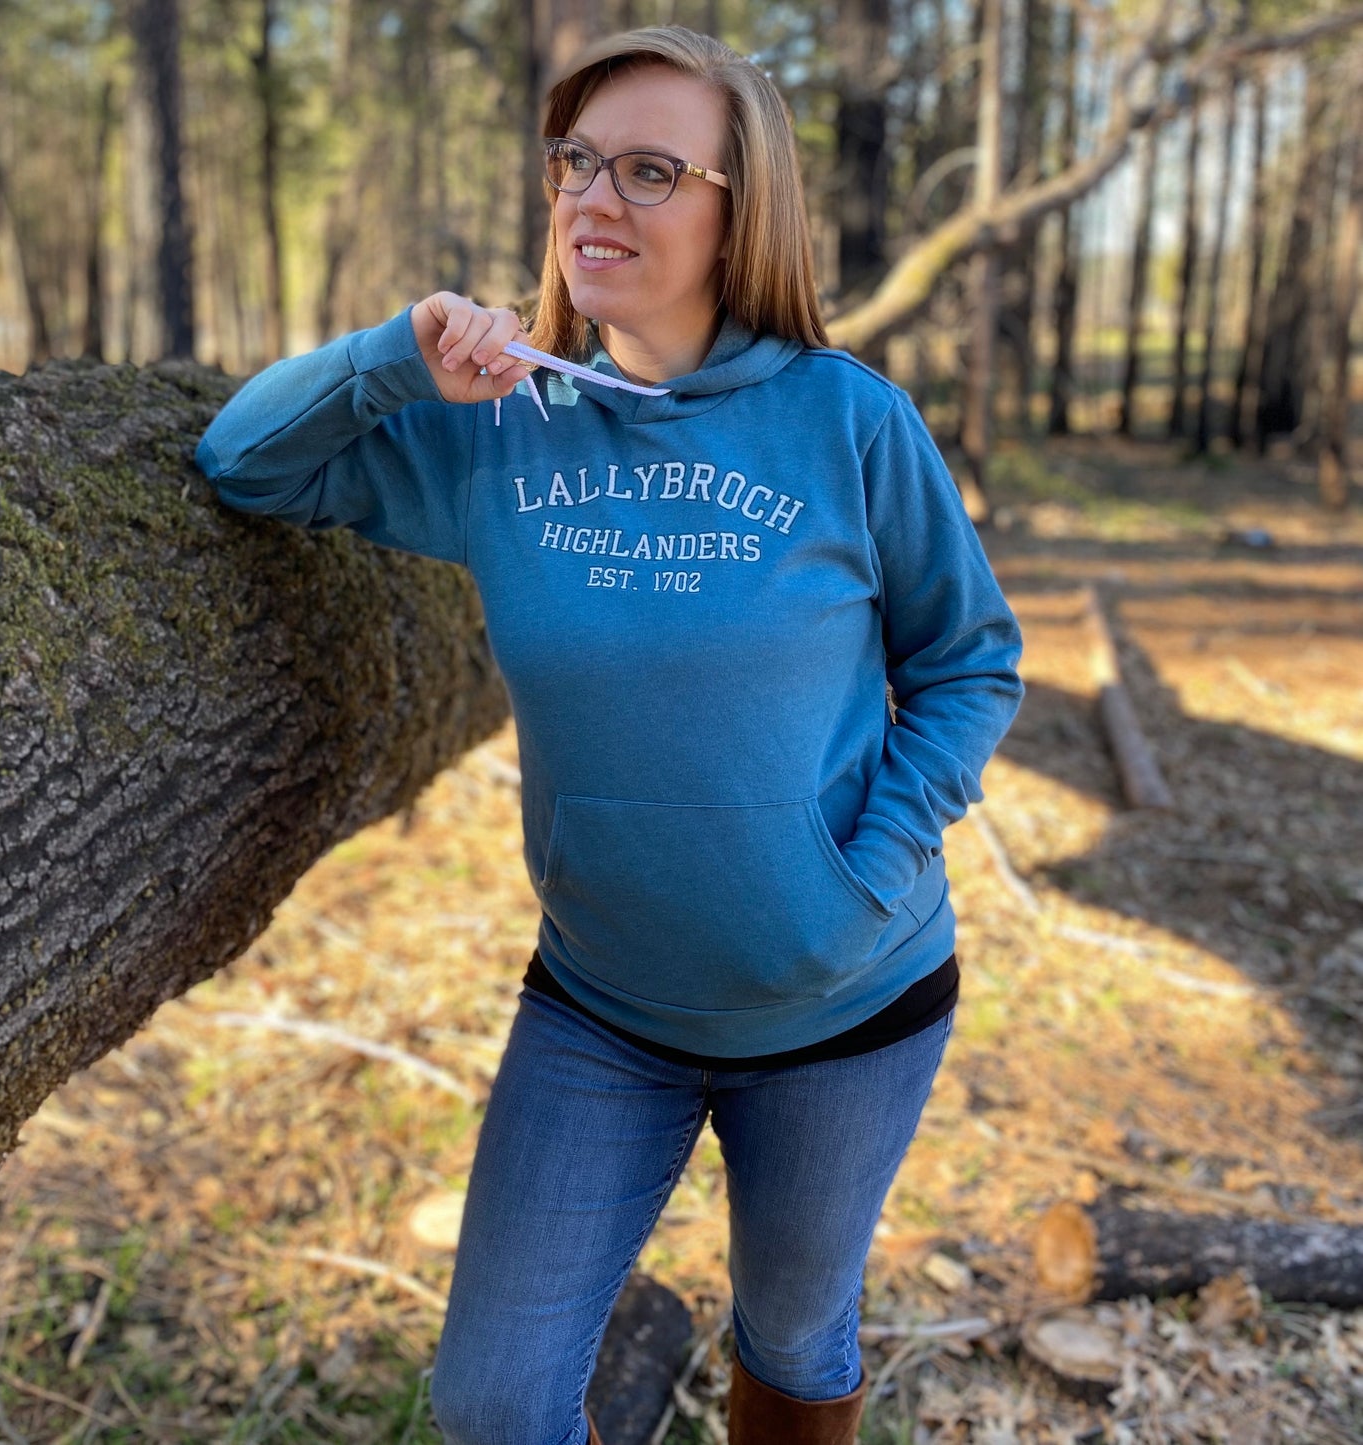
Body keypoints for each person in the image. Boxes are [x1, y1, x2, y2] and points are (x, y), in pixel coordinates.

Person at [195, 25, 1023, 1445]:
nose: (593, 198)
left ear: (734, 206)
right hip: (602, 1008)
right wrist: (401, 357)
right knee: (495, 1401)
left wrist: (868, 866)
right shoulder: (505, 424)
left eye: (649, 169)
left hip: (846, 1008)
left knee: (797, 1331)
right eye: (575, 162)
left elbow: (968, 660)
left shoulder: (843, 420)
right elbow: (244, 459)